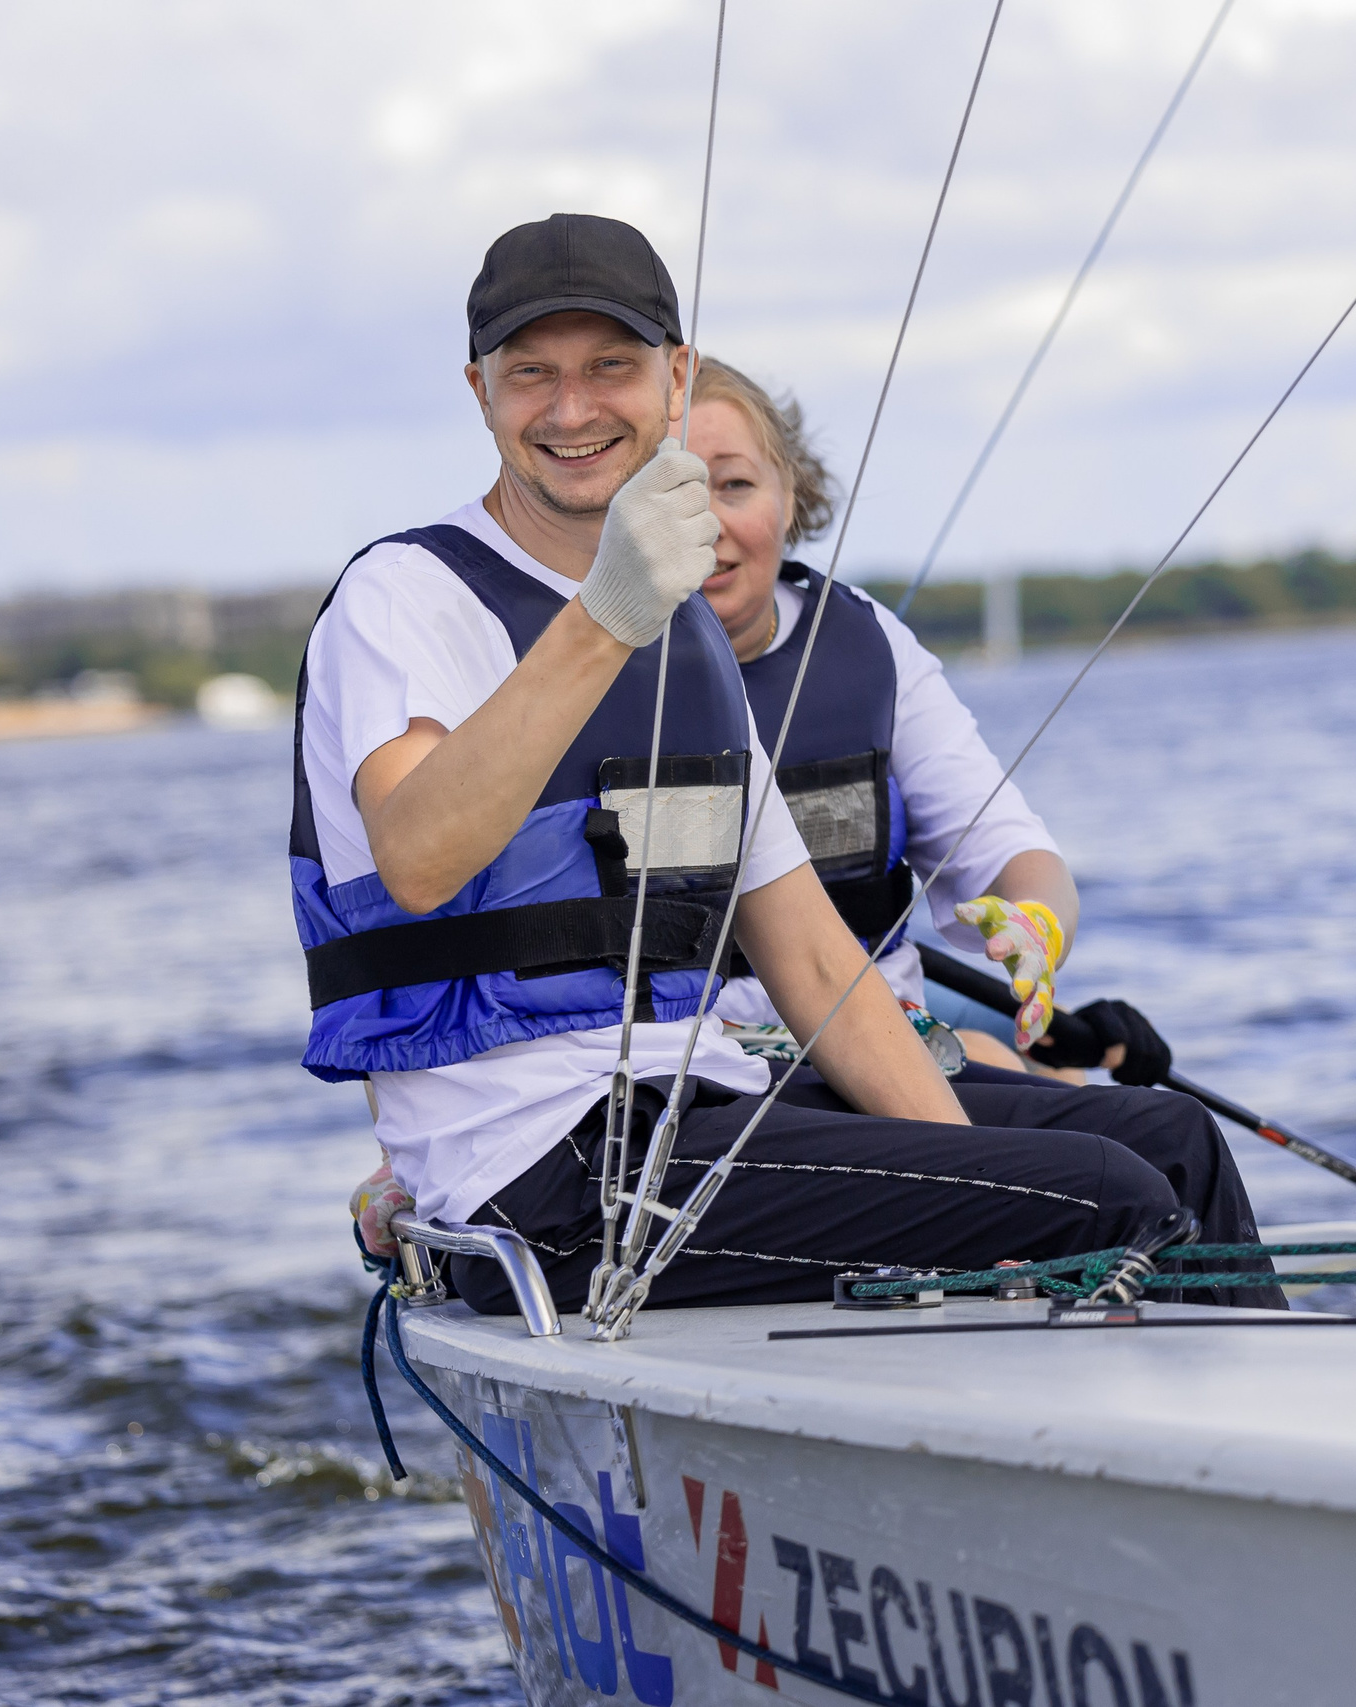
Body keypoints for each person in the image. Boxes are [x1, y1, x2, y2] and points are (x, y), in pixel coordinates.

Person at [307, 213, 1276, 1312]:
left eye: (609, 367)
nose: (571, 410)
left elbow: (816, 966)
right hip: (537, 1166)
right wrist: (605, 615)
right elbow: (417, 859)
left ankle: (1263, 1415)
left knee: (1168, 1141)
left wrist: (973, 1175)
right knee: (1105, 1193)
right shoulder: (404, 596)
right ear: (479, 389)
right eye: (531, 373)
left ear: (674, 381)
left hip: (698, 1102)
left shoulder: (687, 640)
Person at [682, 357, 1174, 1084]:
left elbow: (1011, 852)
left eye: (734, 485)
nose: (708, 523)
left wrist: (1036, 924)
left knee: (1071, 1082)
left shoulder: (872, 649)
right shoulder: (591, 665)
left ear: (790, 493)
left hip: (883, 1021)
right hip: (694, 1055)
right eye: (674, 494)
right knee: (995, 1065)